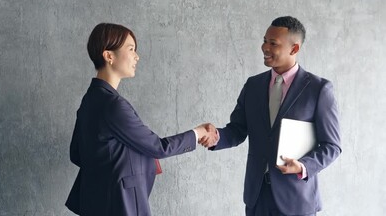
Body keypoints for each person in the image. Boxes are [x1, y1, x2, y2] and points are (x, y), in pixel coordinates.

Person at [65, 23, 218, 216]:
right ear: (109, 56)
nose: (137, 56)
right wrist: (198, 133)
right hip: (120, 205)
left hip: (97, 204)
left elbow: (77, 153)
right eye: (131, 49)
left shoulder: (90, 100)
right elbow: (158, 147)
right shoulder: (113, 105)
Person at [205, 16, 342, 216]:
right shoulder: (253, 85)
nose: (264, 47)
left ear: (294, 49)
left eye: (272, 43)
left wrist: (303, 166)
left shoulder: (318, 89)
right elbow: (237, 130)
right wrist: (215, 136)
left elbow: (332, 146)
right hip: (257, 196)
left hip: (296, 199)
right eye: (264, 41)